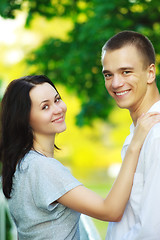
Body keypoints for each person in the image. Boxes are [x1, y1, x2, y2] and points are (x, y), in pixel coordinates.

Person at [0, 75, 160, 240]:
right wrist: (135, 143)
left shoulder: (22, 165)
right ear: (24, 119)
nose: (58, 109)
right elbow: (110, 210)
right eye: (45, 107)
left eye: (57, 99)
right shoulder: (42, 168)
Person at [102, 30, 160, 239]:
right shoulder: (138, 132)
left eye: (126, 72)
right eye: (108, 74)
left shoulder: (156, 135)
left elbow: (153, 230)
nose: (115, 83)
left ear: (150, 73)